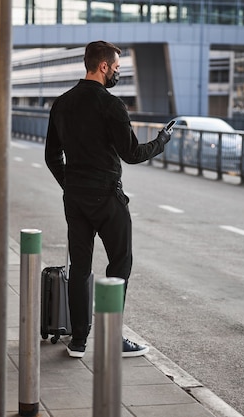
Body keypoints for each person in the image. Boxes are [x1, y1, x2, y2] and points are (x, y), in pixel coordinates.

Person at [45, 40, 172, 358]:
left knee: (80, 268)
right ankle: (112, 337)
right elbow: (131, 154)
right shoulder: (112, 105)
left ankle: (78, 340)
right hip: (107, 198)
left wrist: (71, 185)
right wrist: (161, 141)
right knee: (120, 261)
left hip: (75, 200)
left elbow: (51, 157)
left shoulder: (61, 104)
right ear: (102, 66)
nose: (118, 73)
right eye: (116, 68)